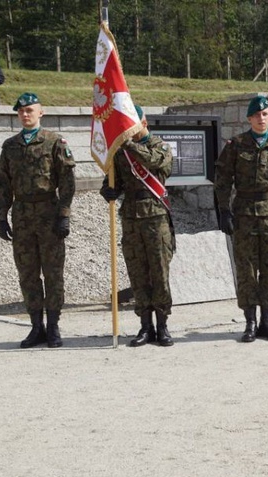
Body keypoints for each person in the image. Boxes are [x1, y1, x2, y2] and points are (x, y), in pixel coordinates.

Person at [214, 95, 268, 343]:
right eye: (256, 115)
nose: (261, 119)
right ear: (249, 119)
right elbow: (222, 180)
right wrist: (223, 211)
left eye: (265, 114)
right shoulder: (236, 145)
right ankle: (250, 322)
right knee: (246, 269)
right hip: (243, 213)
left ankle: (267, 320)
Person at [0, 92, 76, 348]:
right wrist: (1, 217)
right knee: (27, 273)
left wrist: (64, 215)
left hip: (49, 213)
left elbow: (67, 182)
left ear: (41, 112)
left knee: (53, 273)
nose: (25, 114)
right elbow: (3, 184)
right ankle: (35, 327)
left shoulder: (54, 142)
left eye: (30, 110)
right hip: (22, 215)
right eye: (21, 111)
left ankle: (53, 326)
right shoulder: (10, 146)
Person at [99, 105, 176, 347]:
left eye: (134, 122)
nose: (130, 127)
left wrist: (129, 145)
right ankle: (145, 326)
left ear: (143, 122)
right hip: (131, 218)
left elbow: (155, 164)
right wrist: (108, 190)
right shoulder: (120, 153)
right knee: (138, 273)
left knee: (159, 274)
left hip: (155, 217)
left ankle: (162, 326)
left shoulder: (159, 146)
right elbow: (114, 182)